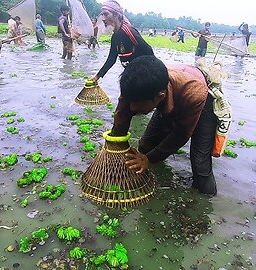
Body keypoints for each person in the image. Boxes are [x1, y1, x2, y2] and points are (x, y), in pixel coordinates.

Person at [111, 55, 219, 196]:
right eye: (130, 101)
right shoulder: (134, 86)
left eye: (137, 104)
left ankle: (206, 199)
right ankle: (152, 176)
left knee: (200, 165)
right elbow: (123, 114)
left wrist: (149, 159)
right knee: (145, 146)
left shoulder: (194, 93)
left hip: (202, 104)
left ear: (160, 97)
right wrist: (115, 146)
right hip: (168, 93)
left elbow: (181, 134)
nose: (132, 108)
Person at [92, 0, 154, 82]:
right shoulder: (115, 37)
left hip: (142, 74)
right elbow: (111, 59)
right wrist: (97, 77)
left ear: (116, 15)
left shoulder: (128, 31)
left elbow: (148, 50)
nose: (103, 19)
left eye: (106, 14)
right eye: (102, 14)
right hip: (130, 73)